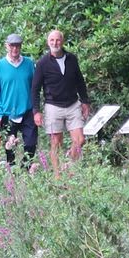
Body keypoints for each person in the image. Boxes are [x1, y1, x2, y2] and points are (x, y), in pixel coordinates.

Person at [31, 30, 90, 176]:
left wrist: (85, 102)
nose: (55, 43)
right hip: (53, 106)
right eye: (52, 40)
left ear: (62, 42)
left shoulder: (72, 59)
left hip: (72, 104)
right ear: (48, 42)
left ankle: (69, 167)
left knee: (80, 140)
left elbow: (80, 81)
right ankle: (57, 176)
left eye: (57, 40)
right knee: (56, 142)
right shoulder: (42, 63)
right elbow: (35, 88)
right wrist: (36, 111)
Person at [0, 33, 38, 167]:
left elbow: (35, 89)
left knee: (30, 144)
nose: (15, 49)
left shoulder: (29, 64)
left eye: (17, 46)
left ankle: (26, 168)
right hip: (7, 111)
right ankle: (11, 171)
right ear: (7, 46)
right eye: (12, 45)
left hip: (27, 110)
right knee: (9, 145)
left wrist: (36, 109)